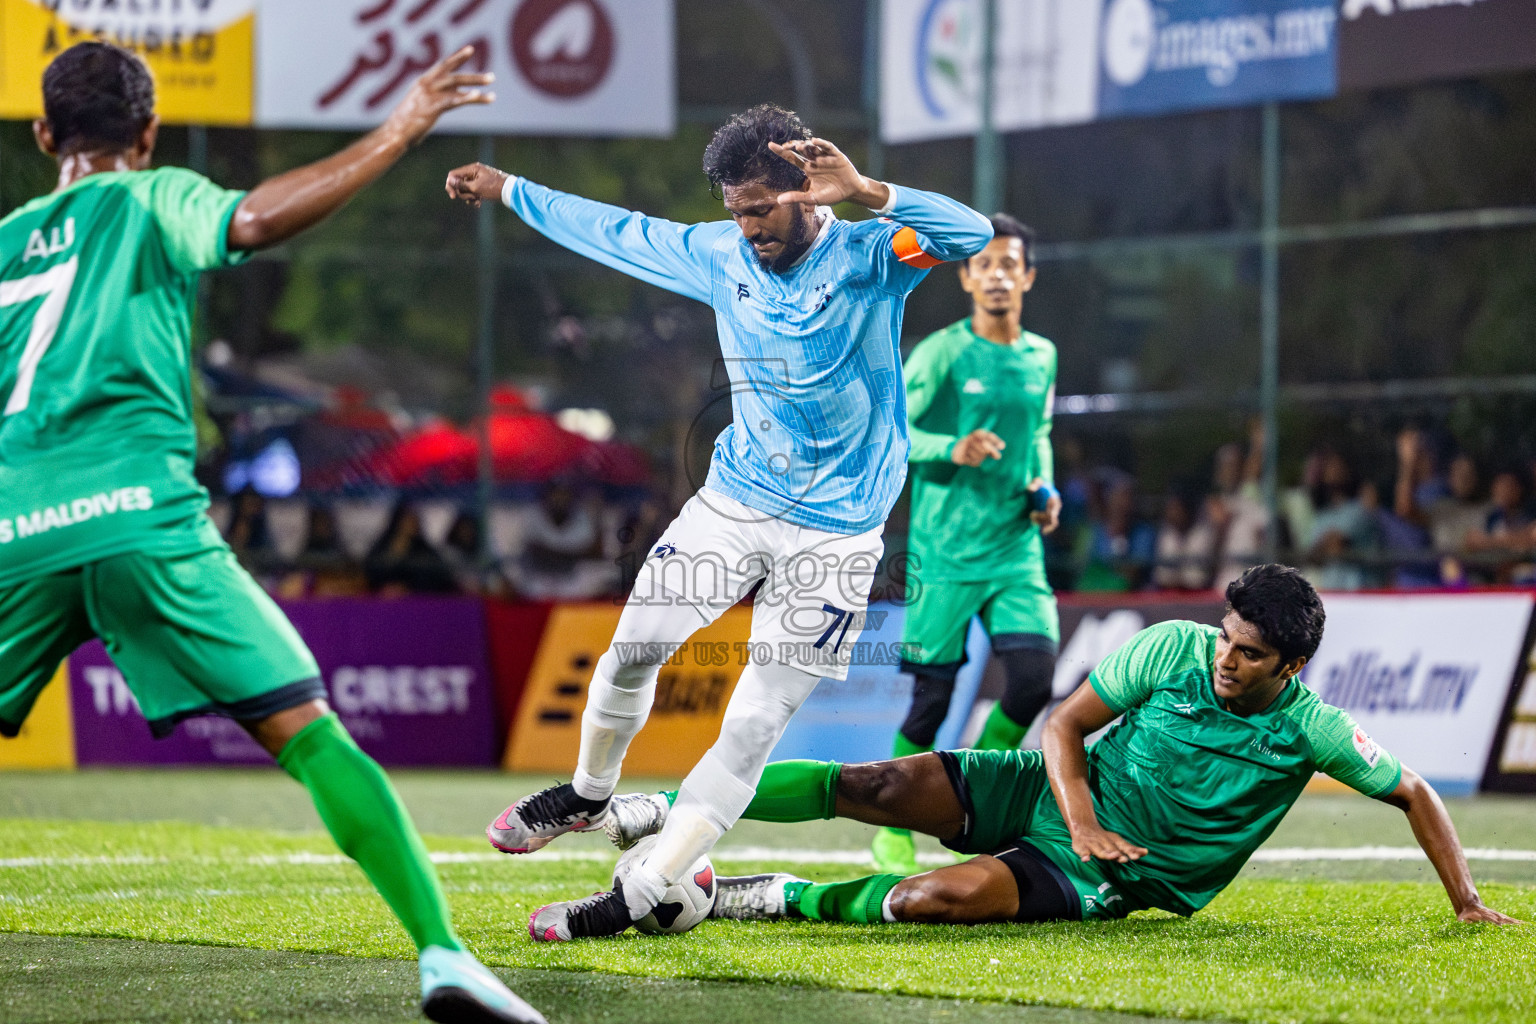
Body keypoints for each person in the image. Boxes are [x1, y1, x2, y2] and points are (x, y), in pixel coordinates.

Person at [0, 42, 543, 1024]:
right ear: (149, 134)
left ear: (45, 137)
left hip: (13, 532)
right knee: (307, 730)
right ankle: (443, 954)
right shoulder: (149, 195)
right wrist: (400, 128)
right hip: (142, 523)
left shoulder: (7, 240)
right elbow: (249, 220)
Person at [445, 103, 994, 941]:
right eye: (735, 208)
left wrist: (869, 191)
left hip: (837, 536)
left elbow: (967, 233)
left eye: (761, 209)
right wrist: (511, 188)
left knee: (754, 722)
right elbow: (615, 230)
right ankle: (590, 794)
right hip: (734, 504)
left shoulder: (875, 253)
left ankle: (642, 892)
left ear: (808, 192)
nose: (745, 226)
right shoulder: (718, 251)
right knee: (629, 652)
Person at [602, 565, 1519, 930]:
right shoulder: (1175, 647)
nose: (1228, 660)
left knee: (931, 898)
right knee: (877, 780)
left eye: (1251, 654)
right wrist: (1076, 812)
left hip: (1118, 873)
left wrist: (1467, 901)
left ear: (1294, 663)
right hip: (1055, 795)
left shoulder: (1310, 727)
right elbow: (1064, 726)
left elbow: (1416, 793)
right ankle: (661, 808)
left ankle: (760, 899)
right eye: (1227, 638)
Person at [873, 214, 1062, 875]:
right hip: (945, 555)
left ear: (1028, 277)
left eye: (1011, 265)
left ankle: (976, 784)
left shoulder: (1042, 355)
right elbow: (893, 433)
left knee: (1035, 679)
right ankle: (894, 818)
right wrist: (952, 447)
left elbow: (1037, 432)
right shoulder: (941, 355)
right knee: (932, 699)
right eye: (986, 265)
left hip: (1015, 550)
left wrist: (1045, 488)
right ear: (967, 277)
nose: (1000, 276)